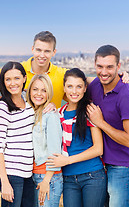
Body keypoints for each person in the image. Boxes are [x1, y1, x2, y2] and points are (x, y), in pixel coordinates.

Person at [0, 31, 129, 108]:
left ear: (54, 52)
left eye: (47, 51)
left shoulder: (62, 75)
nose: (42, 54)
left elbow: (86, 81)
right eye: (38, 49)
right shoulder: (15, 72)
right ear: (32, 49)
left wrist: (116, 77)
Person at [87, 45, 129, 207]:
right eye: (100, 66)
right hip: (98, 165)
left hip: (122, 167)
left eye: (110, 67)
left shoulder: (128, 96)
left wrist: (101, 123)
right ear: (95, 65)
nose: (104, 72)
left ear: (119, 67)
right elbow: (71, 84)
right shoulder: (95, 85)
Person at [47, 68, 107, 207]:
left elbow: (98, 149)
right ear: (64, 88)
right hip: (68, 179)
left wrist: (67, 160)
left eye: (79, 86)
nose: (74, 91)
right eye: (70, 86)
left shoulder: (90, 111)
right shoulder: (58, 114)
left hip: (92, 175)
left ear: (85, 88)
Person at [0, 61, 36, 207]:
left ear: (24, 78)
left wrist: (51, 105)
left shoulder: (29, 100)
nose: (12, 83)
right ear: (3, 82)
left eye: (16, 78)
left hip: (28, 173)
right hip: (11, 174)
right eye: (8, 79)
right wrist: (4, 181)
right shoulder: (3, 107)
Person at [26, 74, 63, 207]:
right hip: (35, 175)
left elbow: (55, 151)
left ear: (49, 93)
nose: (39, 94)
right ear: (29, 91)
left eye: (44, 90)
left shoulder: (50, 116)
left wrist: (47, 180)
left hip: (48, 177)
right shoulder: (31, 113)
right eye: (35, 89)